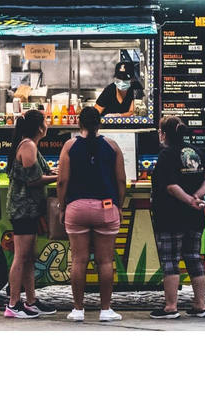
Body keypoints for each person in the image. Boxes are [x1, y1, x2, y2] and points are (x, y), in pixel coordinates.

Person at [56, 105, 126, 322]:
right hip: (106, 207)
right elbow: (121, 180)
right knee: (105, 262)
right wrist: (119, 206)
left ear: (79, 124)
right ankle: (105, 310)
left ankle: (78, 309)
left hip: (76, 208)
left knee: (79, 260)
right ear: (100, 123)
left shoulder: (69, 146)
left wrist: (62, 206)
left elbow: (62, 181)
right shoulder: (112, 146)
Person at [149, 115, 205, 319]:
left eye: (160, 131)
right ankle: (200, 304)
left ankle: (170, 307)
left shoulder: (166, 155)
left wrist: (188, 199)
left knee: (170, 260)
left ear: (164, 134)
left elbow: (171, 186)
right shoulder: (196, 152)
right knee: (194, 258)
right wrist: (196, 197)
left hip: (170, 215)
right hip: (194, 216)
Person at [4, 109, 58, 319]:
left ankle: (31, 300)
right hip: (23, 208)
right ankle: (13, 304)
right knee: (21, 256)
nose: (48, 124)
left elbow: (38, 173)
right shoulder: (28, 146)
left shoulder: (29, 144)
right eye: (46, 121)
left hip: (29, 208)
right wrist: (60, 176)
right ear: (39, 127)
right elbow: (33, 180)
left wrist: (54, 172)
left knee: (28, 257)